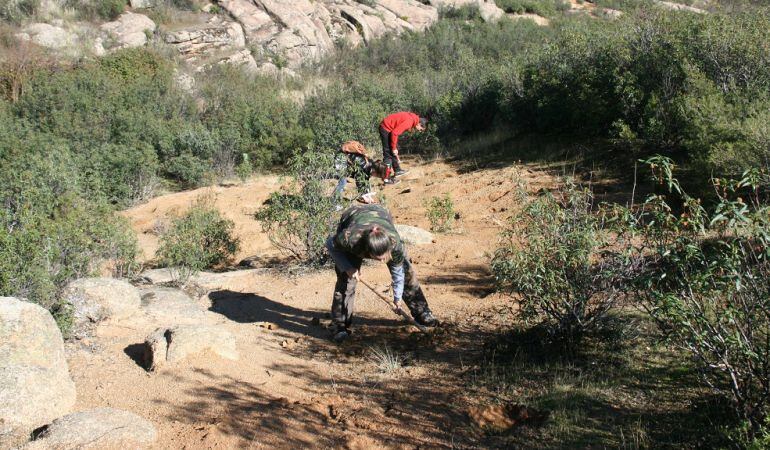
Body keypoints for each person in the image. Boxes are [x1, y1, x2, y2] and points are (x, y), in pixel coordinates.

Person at [326, 204, 438, 342]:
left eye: (385, 257)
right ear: (368, 253)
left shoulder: (395, 245)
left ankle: (423, 313)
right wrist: (347, 267)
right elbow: (330, 244)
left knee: (407, 274)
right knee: (346, 281)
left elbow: (398, 274)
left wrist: (397, 298)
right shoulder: (350, 239)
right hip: (352, 216)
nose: (383, 261)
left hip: (380, 213)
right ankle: (339, 326)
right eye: (379, 259)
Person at [378, 112, 427, 185]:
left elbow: (395, 132)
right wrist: (394, 148)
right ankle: (386, 179)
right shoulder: (410, 121)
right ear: (419, 124)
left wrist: (394, 148)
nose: (419, 131)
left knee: (393, 150)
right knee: (388, 154)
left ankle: (397, 170)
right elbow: (394, 133)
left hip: (389, 128)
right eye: (421, 129)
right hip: (385, 128)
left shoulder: (413, 119)